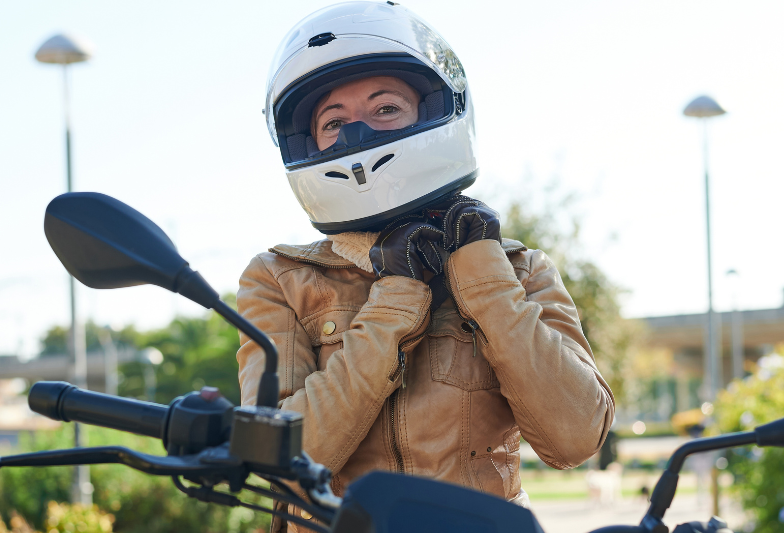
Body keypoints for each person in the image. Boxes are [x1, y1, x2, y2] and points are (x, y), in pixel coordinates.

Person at [237, 3, 615, 531]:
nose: (358, 135)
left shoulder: (521, 269)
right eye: (335, 122)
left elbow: (576, 437)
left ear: (434, 109)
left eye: (386, 108)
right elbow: (278, 468)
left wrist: (485, 279)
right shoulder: (280, 279)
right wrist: (396, 298)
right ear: (307, 143)